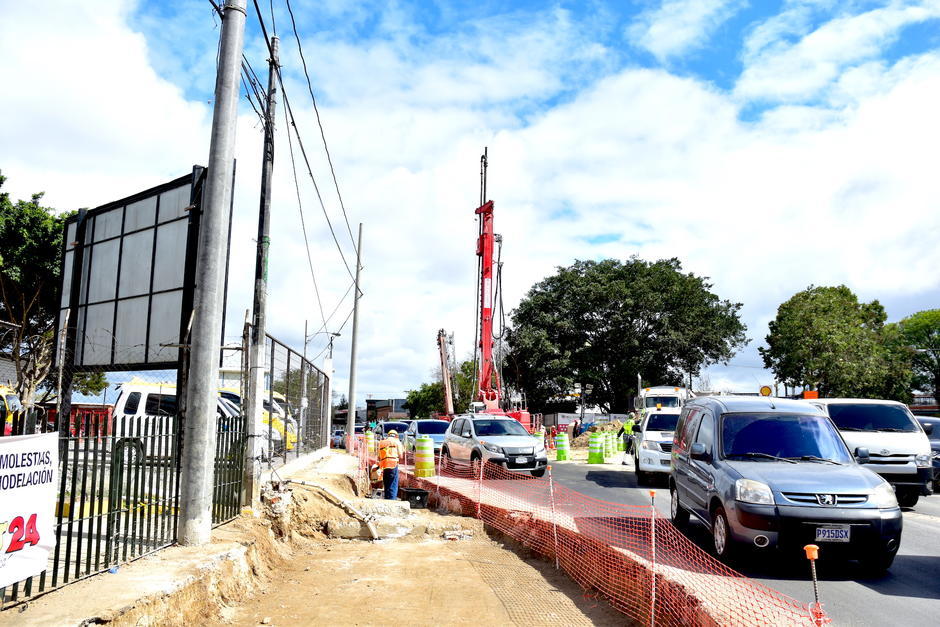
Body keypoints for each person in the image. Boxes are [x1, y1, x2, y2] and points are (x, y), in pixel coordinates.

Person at [378, 429, 405, 500]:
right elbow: (401, 455)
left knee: (386, 483)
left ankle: (387, 499)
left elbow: (379, 456)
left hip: (384, 465)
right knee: (393, 483)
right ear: (396, 436)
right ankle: (392, 500)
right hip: (393, 464)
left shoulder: (382, 442)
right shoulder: (397, 442)